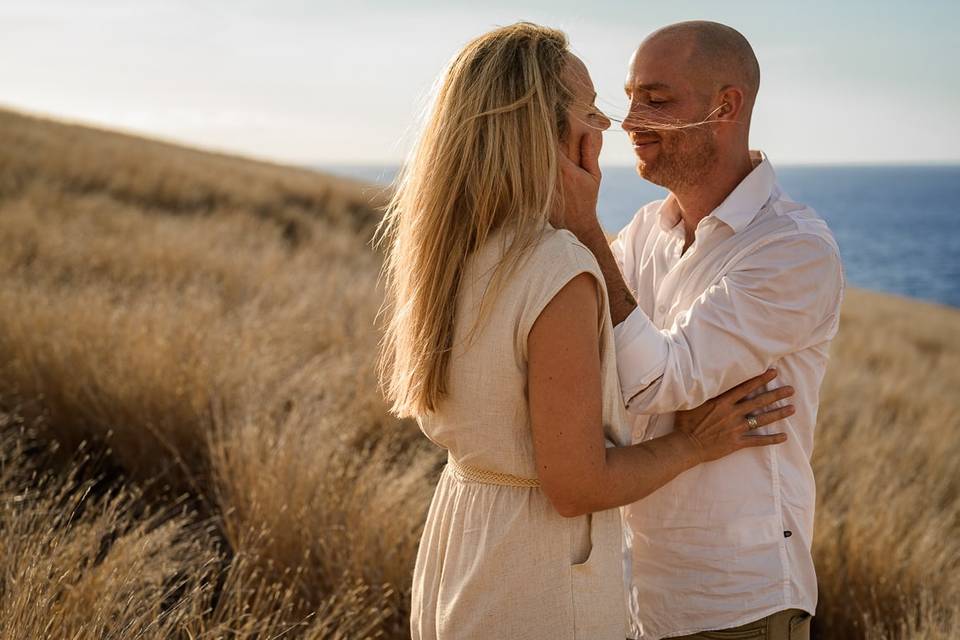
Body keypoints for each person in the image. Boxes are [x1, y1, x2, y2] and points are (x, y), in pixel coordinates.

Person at [376, 22, 796, 640]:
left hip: (459, 546)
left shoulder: (449, 249)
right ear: (552, 132)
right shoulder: (559, 269)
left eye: (647, 100)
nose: (611, 127)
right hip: (534, 572)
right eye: (594, 110)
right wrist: (693, 446)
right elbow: (576, 485)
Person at [560, 20, 845, 640]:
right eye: (630, 95)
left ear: (726, 105)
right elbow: (578, 350)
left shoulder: (792, 250)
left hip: (737, 602)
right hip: (633, 594)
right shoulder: (644, 232)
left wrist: (582, 226)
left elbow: (654, 383)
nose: (628, 120)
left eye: (656, 100)